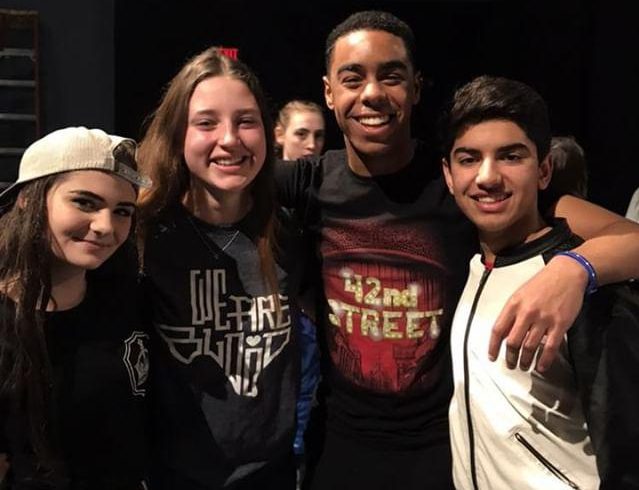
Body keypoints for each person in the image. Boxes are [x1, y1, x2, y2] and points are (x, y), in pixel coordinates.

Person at [274, 10, 639, 490]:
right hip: (339, 450)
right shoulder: (310, 182)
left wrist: (574, 269)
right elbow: (204, 180)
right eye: (352, 78)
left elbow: (632, 239)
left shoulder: (462, 181)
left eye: (391, 76)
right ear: (328, 92)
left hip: (441, 455)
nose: (371, 93)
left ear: (416, 88)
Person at [442, 75, 639, 490]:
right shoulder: (470, 261)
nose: (488, 176)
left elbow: (625, 448)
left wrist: (577, 268)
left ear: (545, 168)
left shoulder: (586, 287)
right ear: (448, 174)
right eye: (469, 158)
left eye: (511, 156)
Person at [136, 47, 301, 489]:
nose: (229, 139)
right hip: (173, 478)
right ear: (178, 133)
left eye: (246, 121)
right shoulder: (141, 237)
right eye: (206, 123)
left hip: (275, 477)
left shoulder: (291, 232)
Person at [0, 127, 151, 489]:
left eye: (122, 211)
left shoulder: (129, 299)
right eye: (85, 202)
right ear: (29, 199)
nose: (105, 226)